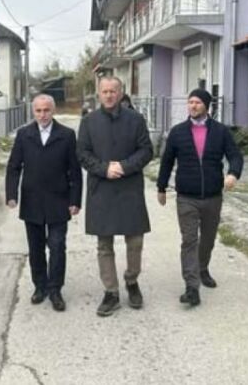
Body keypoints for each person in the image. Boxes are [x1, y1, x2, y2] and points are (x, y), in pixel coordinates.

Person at [156, 88, 244, 307]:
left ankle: (202, 268)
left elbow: (235, 155)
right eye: (190, 102)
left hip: (213, 196)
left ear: (206, 105)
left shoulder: (220, 132)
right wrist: (161, 187)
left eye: (197, 102)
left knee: (208, 239)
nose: (193, 106)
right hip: (186, 196)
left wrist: (233, 174)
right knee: (189, 240)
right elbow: (167, 161)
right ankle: (191, 287)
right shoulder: (178, 132)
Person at [77, 76, 153, 316]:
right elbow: (82, 153)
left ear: (120, 93)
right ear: (98, 94)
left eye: (113, 91)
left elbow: (146, 150)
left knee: (135, 241)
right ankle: (111, 292)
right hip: (101, 188)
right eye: (105, 91)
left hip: (129, 187)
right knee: (104, 244)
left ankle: (132, 280)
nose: (109, 95)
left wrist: (124, 166)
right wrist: (104, 169)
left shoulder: (136, 120)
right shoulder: (88, 122)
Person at [6, 94, 82, 311]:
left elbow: (74, 170)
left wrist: (75, 199)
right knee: (36, 247)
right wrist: (12, 194)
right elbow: (14, 166)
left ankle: (55, 289)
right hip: (32, 199)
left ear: (53, 110)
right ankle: (40, 286)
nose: (42, 115)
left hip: (59, 199)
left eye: (46, 110)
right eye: (38, 110)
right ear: (33, 112)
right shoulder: (24, 134)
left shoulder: (66, 135)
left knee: (57, 246)